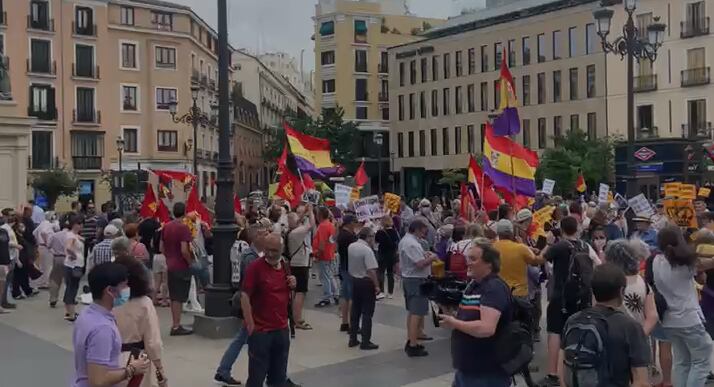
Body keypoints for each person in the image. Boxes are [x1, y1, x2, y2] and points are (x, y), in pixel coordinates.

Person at [559, 263, 651, 387]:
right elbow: (641, 382)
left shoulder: (573, 320)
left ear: (593, 290)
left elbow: (562, 367)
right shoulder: (630, 327)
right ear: (621, 291)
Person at [438, 238, 513, 387]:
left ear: (489, 263)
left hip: (486, 372)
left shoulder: (493, 288)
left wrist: (455, 323)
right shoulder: (474, 285)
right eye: (468, 258)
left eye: (473, 259)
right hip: (467, 369)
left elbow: (486, 328)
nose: (468, 262)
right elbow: (466, 318)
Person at [540, 216, 601, 387]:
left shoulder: (558, 246)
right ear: (578, 229)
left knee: (555, 333)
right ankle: (577, 367)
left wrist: (549, 243)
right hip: (581, 296)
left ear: (561, 228)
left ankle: (553, 374)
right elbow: (598, 265)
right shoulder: (585, 246)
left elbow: (539, 259)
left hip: (560, 297)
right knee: (577, 331)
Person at [71, 262, 151, 387]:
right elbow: (98, 380)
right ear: (110, 290)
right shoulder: (103, 329)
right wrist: (131, 370)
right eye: (124, 286)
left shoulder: (86, 314)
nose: (127, 291)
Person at [654, 225, 714, 387]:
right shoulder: (685, 264)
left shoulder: (656, 261)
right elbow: (706, 265)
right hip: (689, 319)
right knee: (701, 362)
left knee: (682, 362)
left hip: (669, 320)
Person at [241, 233, 301, 387]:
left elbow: (289, 296)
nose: (269, 253)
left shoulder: (285, 266)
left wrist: (293, 285)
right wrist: (250, 325)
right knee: (256, 377)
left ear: (282, 249)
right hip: (261, 332)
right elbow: (245, 296)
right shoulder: (255, 267)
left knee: (278, 377)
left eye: (274, 250)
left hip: (281, 329)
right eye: (267, 249)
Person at [213, 223, 269, 387]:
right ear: (256, 237)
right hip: (251, 305)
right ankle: (224, 370)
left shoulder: (254, 254)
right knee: (250, 339)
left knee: (244, 339)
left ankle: (223, 370)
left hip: (253, 304)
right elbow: (253, 283)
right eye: (265, 234)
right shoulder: (250, 257)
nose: (267, 236)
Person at [112, 237, 167, 387]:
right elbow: (153, 342)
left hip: (108, 361)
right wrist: (160, 369)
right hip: (136, 361)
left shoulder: (107, 302)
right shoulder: (144, 303)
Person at [399, 219, 437, 357]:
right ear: (417, 229)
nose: (424, 234)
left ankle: (411, 339)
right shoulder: (411, 243)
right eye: (423, 231)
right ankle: (413, 344)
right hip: (416, 280)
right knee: (416, 312)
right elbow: (420, 264)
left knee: (412, 311)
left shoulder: (407, 241)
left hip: (410, 278)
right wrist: (432, 258)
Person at [604, 239, 658, 335]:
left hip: (612, 338)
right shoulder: (643, 282)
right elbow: (652, 316)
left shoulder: (605, 282)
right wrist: (640, 336)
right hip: (639, 334)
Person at [159, 202, 194, 336]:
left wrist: (169, 257)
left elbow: (161, 247)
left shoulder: (166, 227)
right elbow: (184, 250)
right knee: (179, 296)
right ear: (185, 212)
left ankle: (175, 324)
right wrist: (190, 262)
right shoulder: (183, 228)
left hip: (170, 265)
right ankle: (176, 325)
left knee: (174, 296)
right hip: (181, 266)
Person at [347, 227, 380, 350]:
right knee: (367, 313)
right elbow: (371, 270)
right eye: (372, 236)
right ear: (368, 237)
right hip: (366, 282)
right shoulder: (367, 250)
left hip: (355, 280)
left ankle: (353, 338)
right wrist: (377, 285)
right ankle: (366, 341)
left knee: (355, 310)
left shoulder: (351, 246)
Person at [492, 219, 543, 299]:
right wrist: (548, 247)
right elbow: (536, 261)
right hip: (519, 294)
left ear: (498, 233)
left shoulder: (491, 248)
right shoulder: (521, 248)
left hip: (498, 293)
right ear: (511, 233)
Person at [286, 206, 315, 331]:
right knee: (300, 292)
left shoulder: (290, 231)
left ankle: (293, 316)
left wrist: (304, 213)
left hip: (294, 263)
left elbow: (298, 222)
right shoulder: (297, 233)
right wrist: (311, 212)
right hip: (300, 264)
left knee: (294, 292)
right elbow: (311, 225)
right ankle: (298, 319)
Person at [336, 215, 360, 331]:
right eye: (355, 222)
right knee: (352, 297)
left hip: (344, 266)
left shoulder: (342, 234)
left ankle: (344, 322)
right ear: (350, 223)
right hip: (351, 268)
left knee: (345, 295)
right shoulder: (349, 237)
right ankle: (352, 324)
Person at [313, 206, 337, 308]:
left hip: (324, 255)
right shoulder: (331, 225)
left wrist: (318, 254)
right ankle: (335, 294)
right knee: (330, 276)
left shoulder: (323, 226)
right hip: (330, 253)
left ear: (320, 215)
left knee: (325, 277)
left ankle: (327, 296)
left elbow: (322, 242)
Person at [64, 215, 85, 322]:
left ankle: (69, 311)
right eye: (80, 224)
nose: (82, 226)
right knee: (72, 288)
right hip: (74, 265)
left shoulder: (73, 235)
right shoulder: (71, 236)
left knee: (70, 287)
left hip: (71, 265)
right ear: (76, 224)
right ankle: (71, 313)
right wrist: (74, 255)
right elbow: (68, 247)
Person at [11, 219, 38, 299]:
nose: (23, 228)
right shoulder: (16, 236)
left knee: (24, 275)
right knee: (18, 276)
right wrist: (17, 260)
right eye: (21, 226)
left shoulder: (22, 235)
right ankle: (16, 292)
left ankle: (27, 290)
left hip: (25, 257)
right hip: (19, 257)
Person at [375, 215, 399, 299]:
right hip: (391, 254)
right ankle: (390, 292)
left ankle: (381, 291)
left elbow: (376, 241)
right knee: (390, 273)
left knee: (381, 272)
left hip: (382, 254)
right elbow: (396, 242)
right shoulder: (394, 231)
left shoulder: (380, 232)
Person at [32, 211, 56, 289]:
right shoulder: (48, 225)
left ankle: (42, 282)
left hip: (40, 246)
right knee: (49, 266)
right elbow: (44, 232)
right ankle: (46, 283)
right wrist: (47, 242)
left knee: (42, 266)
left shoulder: (42, 223)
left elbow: (34, 233)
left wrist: (38, 241)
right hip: (46, 247)